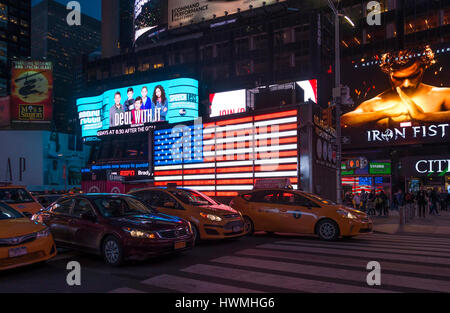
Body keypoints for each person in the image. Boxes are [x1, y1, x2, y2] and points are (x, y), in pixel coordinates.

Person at [341, 45, 450, 128]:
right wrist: (385, 112)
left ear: (424, 67)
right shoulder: (376, 103)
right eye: (399, 78)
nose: (406, 84)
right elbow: (343, 121)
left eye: (413, 76)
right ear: (388, 74)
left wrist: (423, 116)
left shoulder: (442, 95)